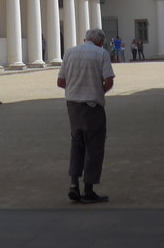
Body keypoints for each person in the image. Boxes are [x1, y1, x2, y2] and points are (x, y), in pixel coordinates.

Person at [57, 27, 115, 204]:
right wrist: (98, 91)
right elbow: (109, 80)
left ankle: (73, 184)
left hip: (73, 106)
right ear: (100, 42)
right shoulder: (101, 53)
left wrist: (76, 90)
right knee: (94, 147)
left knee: (77, 144)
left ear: (85, 39)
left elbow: (60, 82)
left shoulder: (69, 53)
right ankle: (88, 189)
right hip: (93, 106)